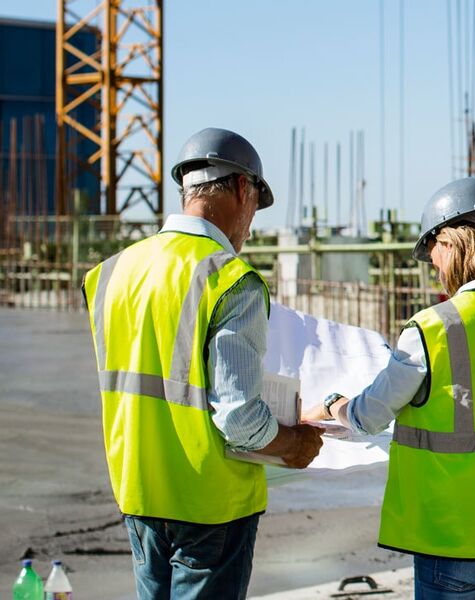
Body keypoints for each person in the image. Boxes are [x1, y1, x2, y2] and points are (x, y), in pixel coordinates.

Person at [304, 177, 475, 599]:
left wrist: (331, 403)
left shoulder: (433, 328)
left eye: (434, 258)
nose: (437, 270)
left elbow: (369, 416)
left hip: (456, 539)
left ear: (450, 244)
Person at [84, 128, 324, 599]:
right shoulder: (229, 277)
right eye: (256, 203)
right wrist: (292, 444)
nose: (252, 223)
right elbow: (239, 418)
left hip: (138, 489)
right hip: (211, 504)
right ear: (241, 189)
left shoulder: (111, 272)